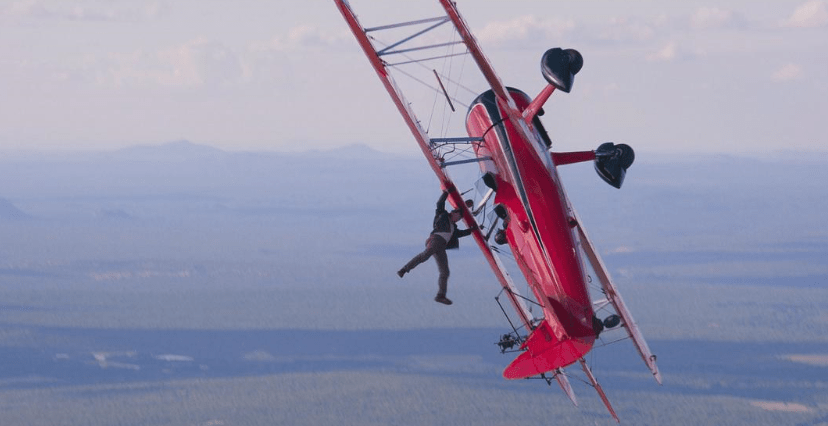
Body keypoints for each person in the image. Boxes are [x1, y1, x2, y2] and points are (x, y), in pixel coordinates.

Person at [397, 188, 474, 305]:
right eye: (457, 216)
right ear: (453, 213)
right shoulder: (442, 215)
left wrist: (472, 230)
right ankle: (404, 269)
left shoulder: (454, 228)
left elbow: (461, 234)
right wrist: (446, 193)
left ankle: (440, 295)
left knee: (445, 272)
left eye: (459, 218)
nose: (458, 219)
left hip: (441, 246)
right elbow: (440, 204)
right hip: (435, 240)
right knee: (425, 256)